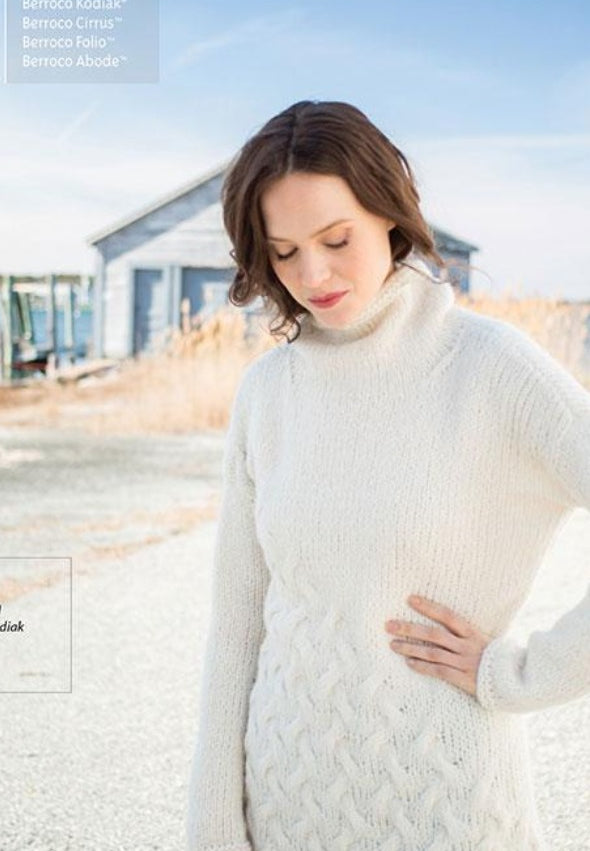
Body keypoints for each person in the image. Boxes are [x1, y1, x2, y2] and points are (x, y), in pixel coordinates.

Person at [185, 100, 590, 850]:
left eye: (337, 239)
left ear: (388, 215)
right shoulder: (267, 392)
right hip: (285, 810)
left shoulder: (491, 368)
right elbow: (238, 626)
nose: (313, 273)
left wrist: (522, 673)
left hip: (449, 812)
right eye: (283, 252)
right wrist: (211, 829)